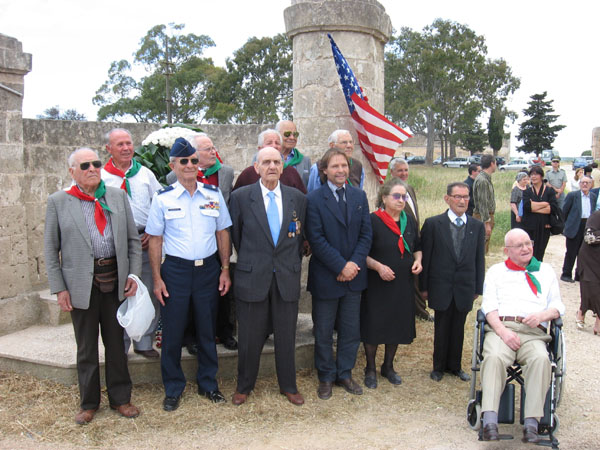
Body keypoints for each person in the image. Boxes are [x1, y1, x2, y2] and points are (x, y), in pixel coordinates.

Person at [44, 148, 141, 425]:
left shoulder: (117, 196)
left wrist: (133, 275)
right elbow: (51, 250)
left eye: (96, 163)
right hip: (80, 285)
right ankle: (88, 403)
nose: (92, 169)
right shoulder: (59, 201)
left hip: (115, 281)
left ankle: (121, 399)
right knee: (86, 347)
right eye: (84, 165)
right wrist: (59, 288)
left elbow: (133, 241)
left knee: (116, 345)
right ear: (71, 171)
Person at [146, 137, 232, 412]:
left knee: (207, 329)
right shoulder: (163, 198)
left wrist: (225, 269)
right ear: (173, 165)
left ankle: (208, 384)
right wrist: (157, 278)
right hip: (176, 272)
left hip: (208, 270)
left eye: (194, 160)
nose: (189, 165)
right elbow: (155, 240)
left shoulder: (213, 195)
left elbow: (223, 232)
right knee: (172, 332)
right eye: (184, 161)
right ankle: (173, 388)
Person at [228, 147, 307, 406]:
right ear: (256, 167)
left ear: (282, 167)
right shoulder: (240, 197)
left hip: (286, 276)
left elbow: (298, 237)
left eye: (276, 162)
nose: (272, 166)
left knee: (286, 335)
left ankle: (289, 385)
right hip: (253, 276)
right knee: (249, 337)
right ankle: (244, 386)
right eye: (266, 162)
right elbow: (236, 236)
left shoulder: (297, 198)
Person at [479, 228, 565, 443]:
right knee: (494, 358)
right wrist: (502, 331)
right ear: (507, 250)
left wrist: (543, 315)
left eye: (528, 243)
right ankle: (489, 421)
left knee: (540, 359)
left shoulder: (545, 271)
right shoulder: (496, 272)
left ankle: (532, 424)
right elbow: (488, 307)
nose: (526, 248)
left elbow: (557, 305)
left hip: (533, 332)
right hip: (502, 330)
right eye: (520, 245)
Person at [306, 147, 372, 400]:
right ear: (324, 170)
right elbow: (316, 238)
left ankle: (344, 372)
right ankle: (325, 376)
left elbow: (366, 234)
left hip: (354, 277)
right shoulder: (313, 199)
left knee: (350, 330)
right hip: (327, 276)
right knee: (323, 331)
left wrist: (353, 265)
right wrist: (340, 266)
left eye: (344, 166)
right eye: (335, 166)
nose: (341, 171)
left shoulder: (359, 196)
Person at [166, 133, 237, 352]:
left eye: (213, 147)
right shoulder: (171, 179)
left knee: (222, 291)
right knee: (189, 298)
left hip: (217, 241)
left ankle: (224, 331)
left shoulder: (225, 173)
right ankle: (192, 337)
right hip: (189, 246)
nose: (213, 151)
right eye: (206, 149)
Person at [101, 128, 162, 358]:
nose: (126, 148)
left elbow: (158, 204)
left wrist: (152, 231)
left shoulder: (145, 174)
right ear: (109, 149)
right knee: (119, 293)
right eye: (120, 144)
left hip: (144, 240)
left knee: (146, 288)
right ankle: (121, 344)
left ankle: (145, 341)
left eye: (128, 143)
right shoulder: (102, 177)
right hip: (113, 243)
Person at [420, 182, 485, 382]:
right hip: (440, 285)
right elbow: (426, 257)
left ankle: (454, 366)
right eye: (457, 196)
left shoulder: (476, 226)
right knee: (442, 327)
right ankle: (438, 367)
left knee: (459, 328)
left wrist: (477, 286)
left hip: (464, 286)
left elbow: (478, 259)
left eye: (466, 197)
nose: (462, 201)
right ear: (447, 199)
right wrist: (423, 287)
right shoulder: (433, 224)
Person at [361, 178, 422, 388]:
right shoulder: (372, 220)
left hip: (402, 283)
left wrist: (418, 261)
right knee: (374, 324)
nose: (401, 200)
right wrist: (378, 267)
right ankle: (369, 368)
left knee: (396, 323)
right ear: (384, 198)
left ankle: (388, 366)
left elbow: (417, 246)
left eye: (404, 196)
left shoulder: (409, 221)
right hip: (378, 282)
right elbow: (362, 253)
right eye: (396, 196)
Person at [386, 157, 433, 322]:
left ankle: (419, 310)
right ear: (392, 172)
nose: (404, 173)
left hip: (413, 238)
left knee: (416, 276)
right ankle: (414, 311)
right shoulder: (388, 191)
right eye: (400, 170)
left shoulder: (410, 189)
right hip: (399, 241)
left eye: (406, 170)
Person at [233, 129, 306, 194]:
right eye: (269, 143)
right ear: (260, 148)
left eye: (277, 143)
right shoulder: (248, 174)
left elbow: (301, 201)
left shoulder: (292, 173)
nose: (274, 146)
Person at [560, 176, 597, 283]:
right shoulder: (573, 195)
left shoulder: (593, 196)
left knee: (584, 253)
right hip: (575, 226)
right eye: (583, 182)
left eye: (587, 183)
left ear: (591, 184)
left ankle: (579, 274)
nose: (585, 184)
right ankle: (566, 274)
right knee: (571, 252)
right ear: (579, 184)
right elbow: (564, 211)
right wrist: (566, 226)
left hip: (587, 226)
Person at [521, 165, 558, 262]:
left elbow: (553, 208)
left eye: (536, 174)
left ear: (541, 176)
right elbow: (527, 207)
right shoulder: (527, 192)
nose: (533, 177)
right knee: (529, 251)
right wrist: (545, 204)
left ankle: (538, 271)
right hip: (530, 226)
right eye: (531, 175)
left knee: (540, 251)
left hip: (544, 226)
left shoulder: (549, 191)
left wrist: (535, 206)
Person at [576, 210, 600, 334]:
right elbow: (589, 237)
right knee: (593, 289)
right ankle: (583, 313)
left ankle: (584, 314)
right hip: (589, 259)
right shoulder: (596, 216)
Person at [276, 119, 312, 187]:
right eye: (287, 134)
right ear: (277, 135)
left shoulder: (305, 160)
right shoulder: (265, 158)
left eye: (295, 134)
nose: (292, 138)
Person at [473, 154, 497, 254]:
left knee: (484, 248)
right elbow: (483, 203)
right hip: (482, 217)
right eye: (496, 163)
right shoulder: (482, 180)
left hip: (485, 216)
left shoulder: (486, 178)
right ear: (492, 163)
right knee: (481, 248)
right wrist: (486, 223)